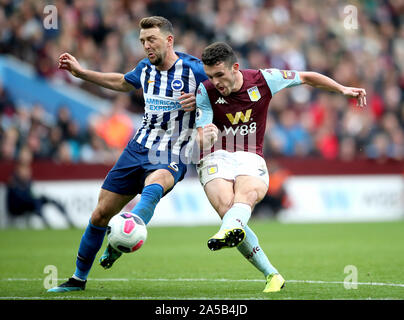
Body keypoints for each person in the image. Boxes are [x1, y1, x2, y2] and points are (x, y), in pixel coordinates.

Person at [47, 16, 207, 293]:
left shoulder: (194, 69)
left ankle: (122, 240)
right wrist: (81, 72)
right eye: (143, 41)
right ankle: (77, 279)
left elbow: (226, 89)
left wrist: (204, 98)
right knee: (99, 215)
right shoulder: (145, 68)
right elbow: (122, 81)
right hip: (137, 148)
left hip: (173, 149)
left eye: (151, 40)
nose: (146, 46)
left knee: (154, 186)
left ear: (169, 40)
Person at [195, 42, 366, 292]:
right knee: (228, 211)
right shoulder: (205, 91)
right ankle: (269, 272)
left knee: (247, 197)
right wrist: (206, 135)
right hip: (215, 154)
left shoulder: (264, 79)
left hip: (249, 154)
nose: (216, 81)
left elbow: (307, 77)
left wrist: (341, 89)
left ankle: (238, 240)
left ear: (235, 67)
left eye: (220, 74)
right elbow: (201, 134)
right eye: (210, 76)